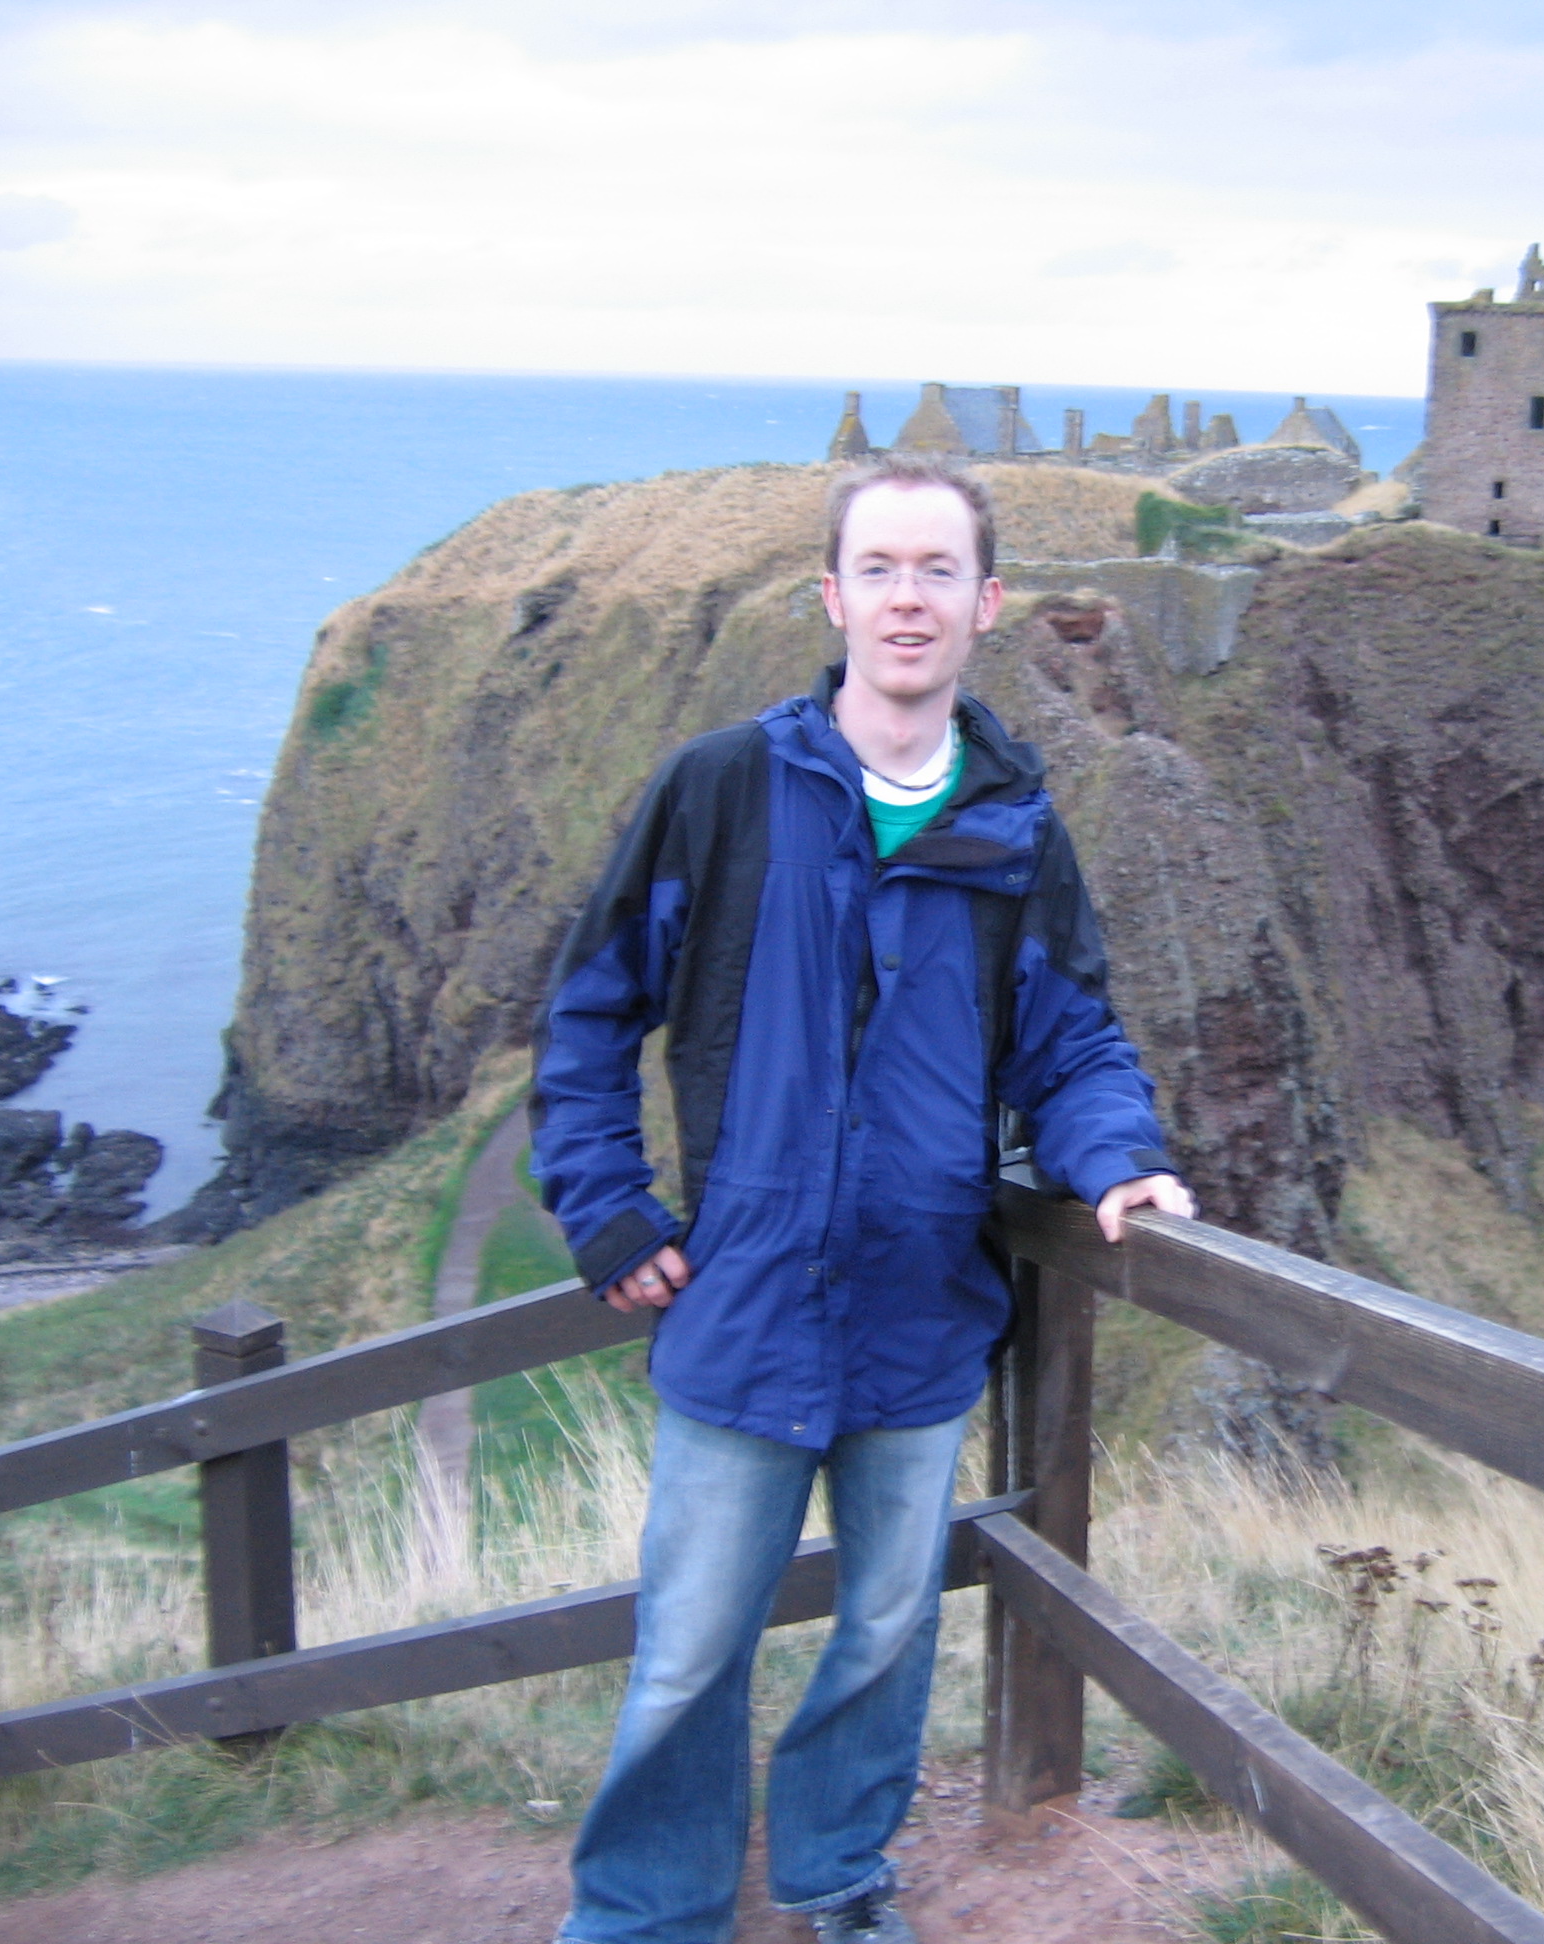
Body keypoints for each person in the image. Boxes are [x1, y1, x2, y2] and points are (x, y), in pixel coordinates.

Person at [531, 450, 1194, 1944]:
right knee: (691, 1649)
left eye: (938, 571)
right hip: (747, 1302)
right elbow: (588, 1013)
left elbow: (1070, 1036)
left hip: (916, 1316)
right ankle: (647, 1918)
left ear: (986, 604)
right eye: (881, 570)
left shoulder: (1018, 830)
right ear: (834, 598)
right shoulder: (722, 792)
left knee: (886, 1634)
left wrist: (1117, 1156)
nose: (909, 599)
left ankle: (835, 1882)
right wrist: (610, 1208)